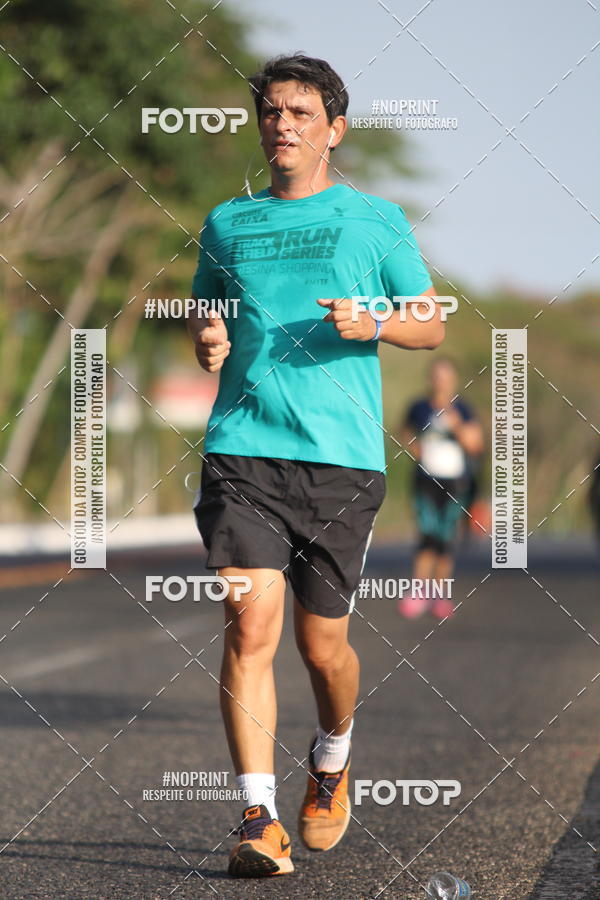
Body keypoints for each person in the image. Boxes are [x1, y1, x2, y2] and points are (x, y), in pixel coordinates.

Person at [187, 53, 445, 878]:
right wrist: (207, 336)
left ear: (334, 128)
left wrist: (376, 322)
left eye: (300, 113)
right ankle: (258, 818)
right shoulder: (228, 221)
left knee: (321, 645)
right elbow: (209, 305)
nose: (282, 125)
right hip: (243, 447)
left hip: (340, 460)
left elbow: (429, 321)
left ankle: (331, 757)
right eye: (270, 112)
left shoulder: (376, 220)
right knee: (247, 623)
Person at [399, 357, 484, 619]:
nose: (441, 382)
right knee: (427, 535)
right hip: (425, 479)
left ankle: (440, 594)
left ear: (454, 380)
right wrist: (414, 446)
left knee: (446, 539)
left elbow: (475, 445)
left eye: (446, 377)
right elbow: (403, 432)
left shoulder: (464, 410)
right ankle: (418, 591)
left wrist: (456, 422)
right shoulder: (419, 407)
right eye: (437, 376)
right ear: (430, 379)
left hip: (455, 481)